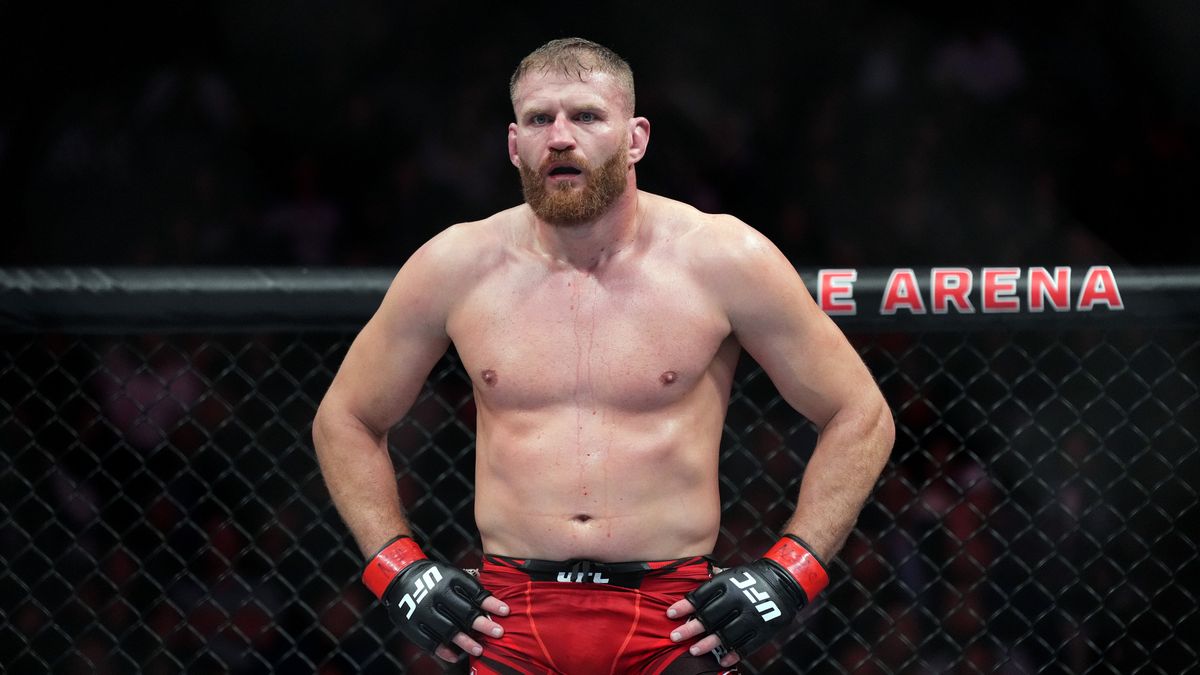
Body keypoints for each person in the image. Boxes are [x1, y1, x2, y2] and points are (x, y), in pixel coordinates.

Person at [312, 37, 894, 674]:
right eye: (539, 120)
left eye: (586, 116)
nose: (560, 137)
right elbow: (345, 419)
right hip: (506, 619)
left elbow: (860, 414)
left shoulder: (722, 258)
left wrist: (791, 573)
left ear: (636, 137)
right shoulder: (456, 264)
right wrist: (398, 571)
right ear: (514, 144)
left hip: (676, 620)